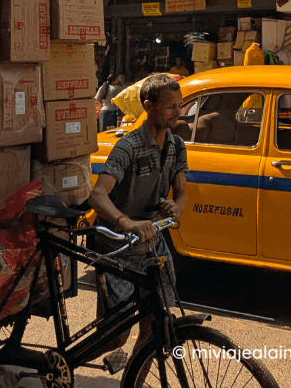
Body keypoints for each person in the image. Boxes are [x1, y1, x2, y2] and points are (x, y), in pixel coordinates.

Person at [87, 73, 188, 373]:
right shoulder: (128, 147)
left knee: (153, 326)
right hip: (118, 247)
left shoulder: (177, 146)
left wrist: (174, 207)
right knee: (116, 335)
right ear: (149, 106)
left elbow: (181, 195)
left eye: (179, 106)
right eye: (171, 107)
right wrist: (126, 221)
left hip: (152, 244)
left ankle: (134, 379)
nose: (177, 112)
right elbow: (97, 196)